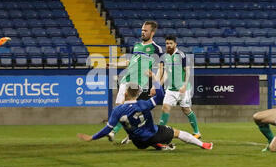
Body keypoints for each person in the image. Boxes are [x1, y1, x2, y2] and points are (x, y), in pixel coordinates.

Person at [77, 70, 213, 151]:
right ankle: (204, 145)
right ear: (137, 94)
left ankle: (160, 146)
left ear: (125, 94)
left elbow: (107, 129)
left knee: (144, 133)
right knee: (178, 133)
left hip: (138, 143)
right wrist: (154, 79)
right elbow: (160, 96)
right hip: (151, 135)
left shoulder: (117, 110)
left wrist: (92, 137)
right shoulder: (144, 104)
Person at [106, 21, 164, 143]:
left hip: (138, 82)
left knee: (125, 108)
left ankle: (113, 132)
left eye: (146, 30)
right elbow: (129, 62)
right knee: (121, 108)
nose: (143, 32)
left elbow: (160, 68)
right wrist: (113, 64)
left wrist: (155, 85)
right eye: (142, 30)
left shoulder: (156, 48)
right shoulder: (137, 46)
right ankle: (132, 134)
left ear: (152, 32)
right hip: (126, 79)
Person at [158, 35, 201, 139]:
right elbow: (166, 74)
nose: (168, 45)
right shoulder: (165, 57)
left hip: (183, 88)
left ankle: (197, 132)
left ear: (175, 44)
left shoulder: (181, 55)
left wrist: (185, 85)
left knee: (186, 109)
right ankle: (159, 133)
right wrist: (158, 85)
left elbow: (188, 71)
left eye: (170, 43)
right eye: (167, 43)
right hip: (170, 89)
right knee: (165, 108)